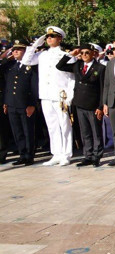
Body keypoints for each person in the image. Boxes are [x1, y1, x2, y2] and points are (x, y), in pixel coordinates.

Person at [21, 26, 75, 166]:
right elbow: (26, 60)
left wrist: (69, 96)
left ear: (60, 38)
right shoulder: (42, 55)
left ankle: (66, 154)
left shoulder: (66, 54)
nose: (49, 39)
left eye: (52, 36)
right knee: (52, 125)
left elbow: (72, 77)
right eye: (47, 37)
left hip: (60, 95)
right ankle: (56, 153)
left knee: (64, 124)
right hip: (46, 94)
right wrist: (35, 44)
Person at [56, 44, 106, 167]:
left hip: (93, 105)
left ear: (93, 54)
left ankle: (96, 156)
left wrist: (100, 107)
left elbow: (103, 89)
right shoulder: (77, 65)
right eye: (82, 52)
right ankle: (87, 156)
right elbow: (60, 66)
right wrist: (71, 54)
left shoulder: (100, 68)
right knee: (85, 133)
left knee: (96, 133)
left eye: (87, 53)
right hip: (80, 104)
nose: (84, 55)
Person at [1, 40, 38, 166]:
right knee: (17, 131)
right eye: (14, 50)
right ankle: (22, 155)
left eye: (19, 49)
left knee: (28, 131)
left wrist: (32, 104)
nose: (15, 52)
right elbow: (7, 86)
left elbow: (34, 87)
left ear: (25, 51)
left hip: (25, 104)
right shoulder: (10, 66)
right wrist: (6, 102)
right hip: (11, 103)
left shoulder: (31, 67)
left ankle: (29, 155)